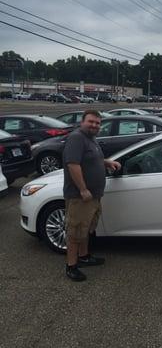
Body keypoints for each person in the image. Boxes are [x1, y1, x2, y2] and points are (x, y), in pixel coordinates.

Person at [63, 110, 121, 281]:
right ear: (82, 122)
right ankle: (71, 266)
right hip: (80, 196)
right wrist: (82, 189)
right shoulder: (77, 138)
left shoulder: (90, 139)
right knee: (75, 231)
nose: (94, 125)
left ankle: (84, 256)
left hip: (93, 195)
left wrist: (107, 162)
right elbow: (73, 165)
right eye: (91, 122)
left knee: (85, 228)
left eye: (97, 123)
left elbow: (91, 159)